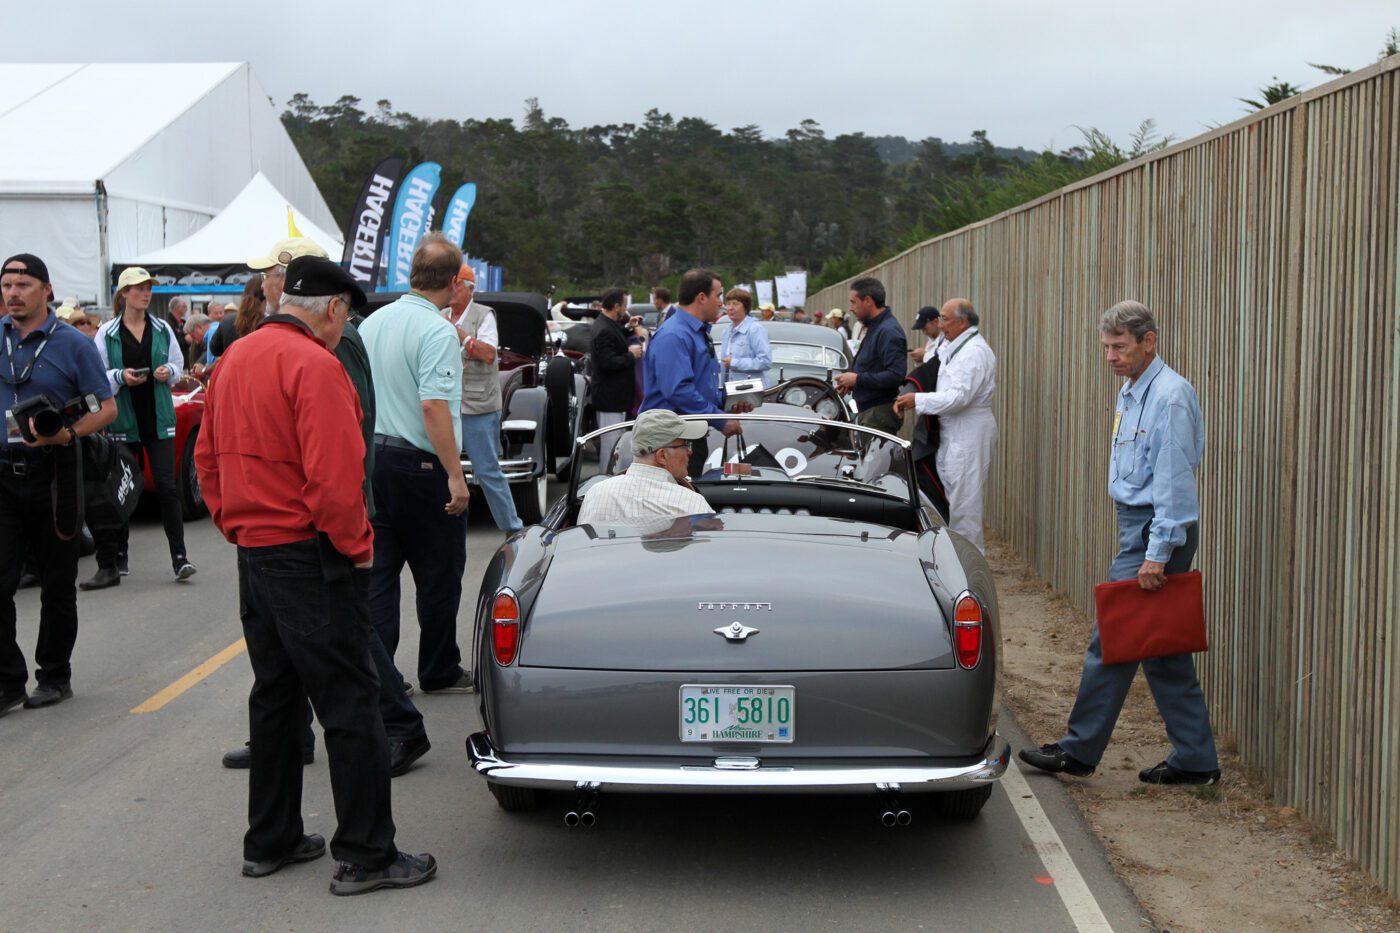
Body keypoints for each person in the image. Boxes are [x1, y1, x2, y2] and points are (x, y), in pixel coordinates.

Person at [195, 255, 437, 894]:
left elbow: (206, 459)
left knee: (275, 696)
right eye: (344, 317)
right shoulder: (316, 365)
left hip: (257, 550)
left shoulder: (235, 359)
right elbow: (335, 481)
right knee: (349, 701)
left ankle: (269, 840)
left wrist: (234, 523)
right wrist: (357, 549)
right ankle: (366, 854)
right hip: (309, 552)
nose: (343, 328)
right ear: (332, 309)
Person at [1019, 300, 1220, 787]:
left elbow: (1174, 482)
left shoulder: (1170, 396)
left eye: (1120, 346)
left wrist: (1156, 553)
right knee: (1161, 650)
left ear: (1148, 341)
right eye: (1106, 347)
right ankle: (1195, 759)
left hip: (1157, 529)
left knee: (1111, 638)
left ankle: (1078, 751)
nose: (1110, 356)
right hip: (1139, 524)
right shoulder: (1132, 390)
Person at [0, 254, 117, 715]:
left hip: (55, 472)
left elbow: (105, 409)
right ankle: (8, 682)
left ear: (46, 290)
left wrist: (66, 433)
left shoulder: (73, 344)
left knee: (57, 583)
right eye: (7, 284)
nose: (13, 293)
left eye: (23, 284)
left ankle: (54, 674)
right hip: (3, 474)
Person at [358, 232, 473, 695]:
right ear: (450, 280)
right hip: (419, 464)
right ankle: (439, 667)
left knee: (380, 577)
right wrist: (455, 475)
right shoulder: (438, 330)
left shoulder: (372, 323)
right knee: (439, 573)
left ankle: (382, 677)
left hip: (374, 458)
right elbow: (433, 407)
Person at [86, 267, 194, 589]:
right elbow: (97, 374)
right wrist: (121, 376)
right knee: (123, 489)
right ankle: (120, 554)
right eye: (138, 288)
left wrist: (168, 371)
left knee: (166, 486)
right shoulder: (106, 332)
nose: (145, 294)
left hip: (158, 418)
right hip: (123, 420)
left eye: (148, 288)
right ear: (124, 294)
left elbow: (179, 366)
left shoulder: (162, 328)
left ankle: (180, 557)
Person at [893, 299, 996, 552]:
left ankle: (969, 566)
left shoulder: (973, 352)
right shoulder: (955, 347)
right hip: (953, 431)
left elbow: (958, 397)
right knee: (954, 498)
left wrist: (917, 399)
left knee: (965, 506)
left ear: (962, 322)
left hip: (968, 431)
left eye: (945, 319)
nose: (940, 325)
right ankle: (958, 559)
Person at [641, 268, 743, 477]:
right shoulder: (674, 336)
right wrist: (720, 420)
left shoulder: (694, 333)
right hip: (667, 443)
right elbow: (678, 391)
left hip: (684, 438)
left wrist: (730, 401)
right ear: (702, 297)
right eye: (719, 295)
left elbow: (699, 386)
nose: (721, 303)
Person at [447, 263, 521, 533]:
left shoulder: (483, 315)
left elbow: (489, 354)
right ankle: (446, 525)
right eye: (449, 286)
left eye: (456, 286)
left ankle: (513, 527)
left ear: (469, 289)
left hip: (477, 405)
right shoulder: (441, 313)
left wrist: (460, 335)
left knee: (487, 470)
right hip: (446, 404)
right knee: (442, 469)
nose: (451, 291)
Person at [577, 409, 711, 525]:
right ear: (662, 456)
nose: (690, 451)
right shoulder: (693, 504)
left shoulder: (596, 494)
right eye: (685, 444)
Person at [834, 277, 906, 434]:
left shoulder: (888, 331)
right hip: (870, 413)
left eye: (853, 302)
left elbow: (896, 375)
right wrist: (853, 382)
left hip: (878, 415)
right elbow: (873, 366)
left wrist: (857, 379)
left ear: (867, 300)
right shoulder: (877, 327)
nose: (851, 308)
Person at [589, 287, 643, 471]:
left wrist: (628, 328)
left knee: (617, 444)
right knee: (611, 447)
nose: (627, 310)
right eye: (625, 306)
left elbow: (615, 338)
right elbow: (608, 362)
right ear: (616, 306)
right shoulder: (603, 329)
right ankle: (605, 481)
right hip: (609, 398)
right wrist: (631, 355)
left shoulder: (607, 323)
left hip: (615, 398)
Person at [719, 288, 772, 388]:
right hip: (730, 391)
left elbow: (765, 362)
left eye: (735, 304)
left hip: (751, 392)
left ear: (746, 307)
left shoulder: (755, 329)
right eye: (728, 303)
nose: (730, 308)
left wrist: (734, 363)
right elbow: (725, 362)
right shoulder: (726, 331)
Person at [209, 274, 267, 360]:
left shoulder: (227, 322)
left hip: (233, 371)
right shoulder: (270, 323)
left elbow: (214, 350)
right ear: (265, 293)